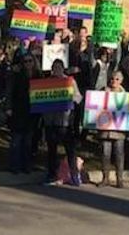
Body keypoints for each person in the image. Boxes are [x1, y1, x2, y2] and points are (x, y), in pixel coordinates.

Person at [42, 59, 82, 187]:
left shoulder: (70, 82)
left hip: (64, 121)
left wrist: (70, 99)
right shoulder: (47, 82)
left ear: (63, 68)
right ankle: (51, 174)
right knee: (51, 150)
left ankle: (74, 175)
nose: (56, 69)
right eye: (54, 67)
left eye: (59, 67)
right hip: (50, 121)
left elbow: (78, 97)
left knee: (70, 150)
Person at [6, 52, 37, 174]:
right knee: (16, 141)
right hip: (18, 111)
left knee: (28, 142)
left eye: (30, 61)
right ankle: (15, 166)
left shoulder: (38, 76)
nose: (28, 64)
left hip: (32, 112)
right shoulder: (16, 75)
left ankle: (26, 166)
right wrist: (8, 107)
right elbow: (9, 92)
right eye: (25, 61)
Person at [97, 70, 128, 188]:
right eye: (112, 79)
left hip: (119, 130)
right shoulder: (104, 92)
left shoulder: (125, 96)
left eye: (117, 79)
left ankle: (119, 178)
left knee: (119, 153)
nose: (114, 81)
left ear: (121, 81)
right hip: (105, 130)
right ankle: (105, 178)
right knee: (105, 153)